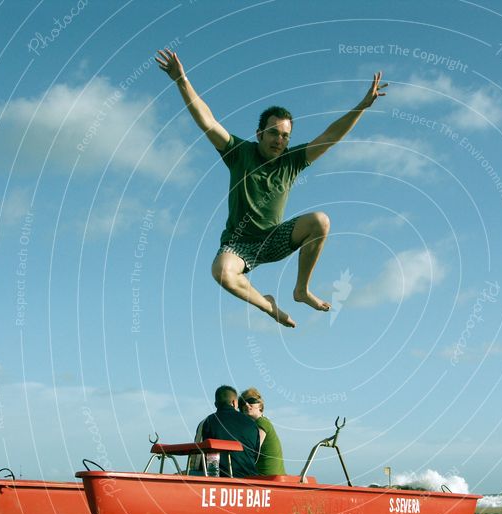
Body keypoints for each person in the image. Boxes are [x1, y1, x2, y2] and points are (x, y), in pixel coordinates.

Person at [155, 48, 387, 328]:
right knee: (222, 273)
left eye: (285, 136)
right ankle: (268, 305)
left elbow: (330, 136)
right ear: (259, 134)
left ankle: (301, 290)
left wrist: (361, 106)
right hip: (239, 244)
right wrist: (182, 80)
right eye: (274, 133)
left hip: (274, 238)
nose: (279, 140)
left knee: (320, 221)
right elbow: (208, 121)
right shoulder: (239, 153)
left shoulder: (293, 161)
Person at [192, 385, 264, 478]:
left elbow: (198, 458)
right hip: (249, 479)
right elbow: (255, 457)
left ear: (215, 404)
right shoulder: (252, 424)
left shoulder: (207, 422)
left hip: (220, 479)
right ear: (234, 402)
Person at [239, 387, 285, 476]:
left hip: (266, 476)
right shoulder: (262, 422)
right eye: (242, 403)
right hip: (271, 476)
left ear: (260, 405)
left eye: (251, 401)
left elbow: (253, 450)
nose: (246, 404)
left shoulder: (261, 423)